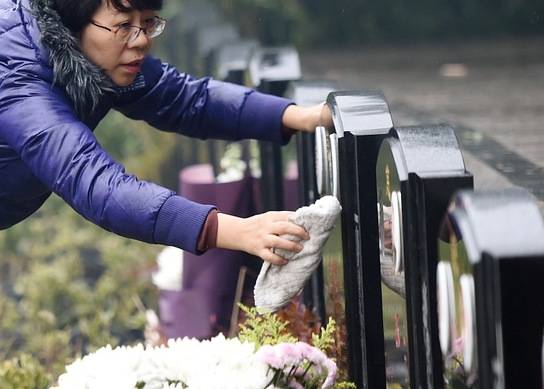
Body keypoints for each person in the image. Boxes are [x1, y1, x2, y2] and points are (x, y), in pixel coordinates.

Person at [0, 0, 332, 264]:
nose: (142, 39)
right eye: (123, 25)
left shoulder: (96, 58)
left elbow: (187, 99)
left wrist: (302, 116)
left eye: (147, 23)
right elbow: (99, 186)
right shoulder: (21, 86)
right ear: (72, 23)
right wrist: (238, 230)